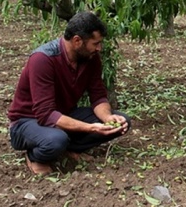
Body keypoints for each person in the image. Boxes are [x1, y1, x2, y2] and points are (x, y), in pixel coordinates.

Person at [7, 11, 131, 175]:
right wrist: (90, 128)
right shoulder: (42, 60)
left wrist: (108, 118)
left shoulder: (90, 58)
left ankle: (68, 149)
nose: (99, 48)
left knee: (123, 123)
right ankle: (36, 156)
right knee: (56, 140)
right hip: (28, 121)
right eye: (96, 43)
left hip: (63, 114)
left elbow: (98, 96)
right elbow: (45, 114)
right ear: (77, 41)